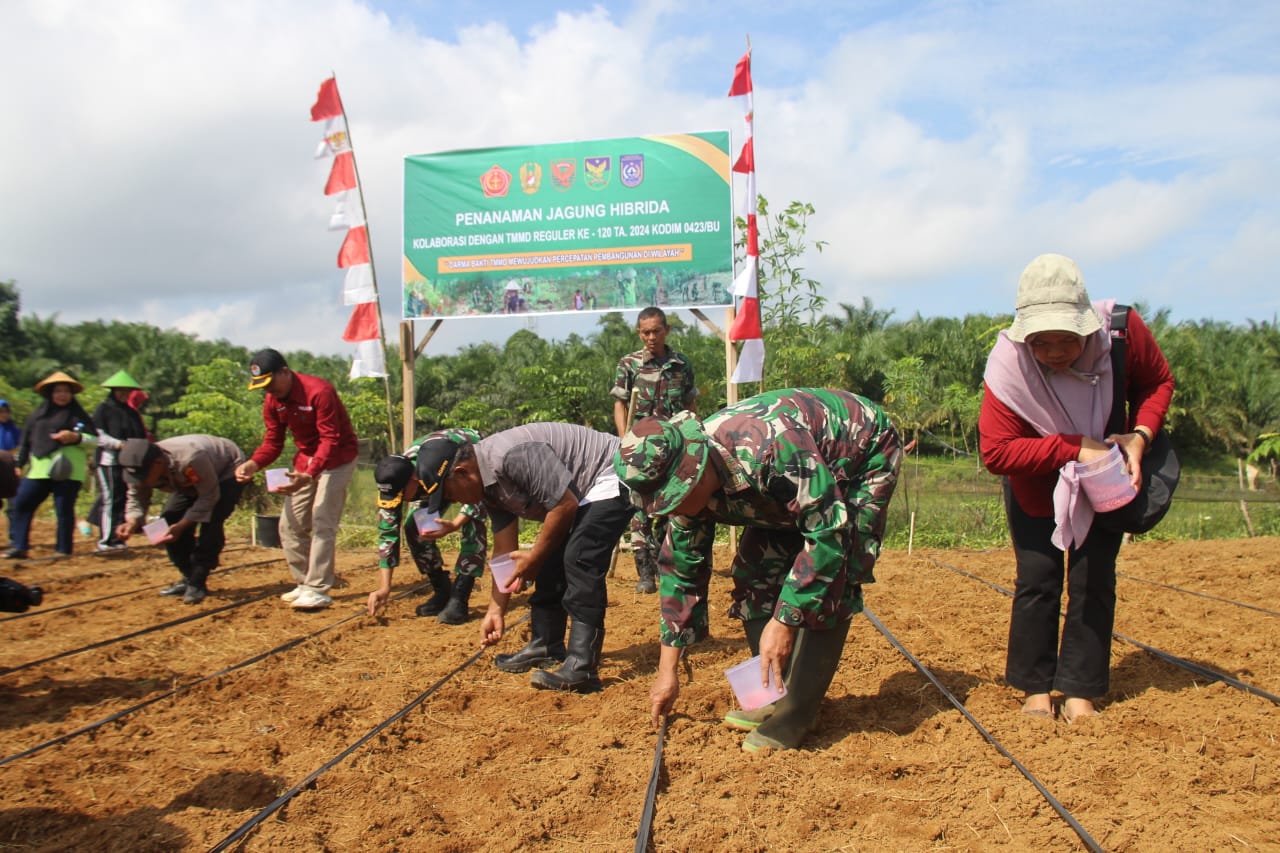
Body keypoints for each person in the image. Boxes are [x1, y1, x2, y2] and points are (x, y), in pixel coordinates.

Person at [614, 389, 903, 753]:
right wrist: (667, 670)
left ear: (697, 464)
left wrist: (784, 622)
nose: (675, 507)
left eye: (677, 494)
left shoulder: (771, 448)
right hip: (781, 483)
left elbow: (828, 533)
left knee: (836, 574)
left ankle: (798, 712)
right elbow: (681, 572)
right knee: (755, 573)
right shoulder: (692, 497)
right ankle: (777, 695)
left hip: (860, 453)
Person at [980, 254, 1174, 724]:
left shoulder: (1121, 333)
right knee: (1038, 580)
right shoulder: (1009, 366)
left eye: (1066, 339)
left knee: (1093, 580)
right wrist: (1073, 447)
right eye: (1041, 343)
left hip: (1103, 480)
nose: (1053, 353)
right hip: (1035, 487)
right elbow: (998, 453)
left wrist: (1140, 435)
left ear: (1086, 326)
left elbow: (1157, 383)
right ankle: (1035, 689)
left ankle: (1081, 691)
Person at [421, 423, 631, 693]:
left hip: (609, 472)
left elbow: (564, 505)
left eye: (449, 493)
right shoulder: (488, 488)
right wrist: (495, 611)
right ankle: (545, 644)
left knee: (580, 557)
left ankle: (582, 668)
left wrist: (534, 558)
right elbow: (504, 551)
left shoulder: (511, 456)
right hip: (579, 494)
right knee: (549, 554)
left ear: (462, 472)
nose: (454, 500)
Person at [235, 349, 358, 611]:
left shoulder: (319, 391)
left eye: (270, 383)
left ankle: (318, 589)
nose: (268, 390)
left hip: (337, 459)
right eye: (262, 386)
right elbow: (273, 441)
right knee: (289, 524)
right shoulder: (272, 401)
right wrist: (253, 463)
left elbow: (330, 439)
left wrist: (309, 475)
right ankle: (304, 582)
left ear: (285, 372)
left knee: (322, 519)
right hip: (305, 462)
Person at [610, 306, 698, 594]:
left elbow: (690, 403)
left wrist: (695, 433)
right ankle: (644, 571)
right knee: (639, 508)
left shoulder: (681, 365)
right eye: (645, 332)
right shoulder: (629, 365)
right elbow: (620, 404)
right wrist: (624, 439)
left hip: (674, 447)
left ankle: (665, 561)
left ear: (666, 330)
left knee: (672, 504)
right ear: (639, 333)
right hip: (641, 448)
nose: (651, 337)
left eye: (656, 331)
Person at [366, 429, 489, 624]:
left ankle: (459, 597)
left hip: (471, 462)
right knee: (414, 528)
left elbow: (474, 496)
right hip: (428, 483)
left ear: (413, 480)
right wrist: (384, 587)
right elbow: (387, 533)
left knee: (473, 528)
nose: (398, 501)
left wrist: (456, 523)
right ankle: (442, 589)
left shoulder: (433, 468)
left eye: (401, 495)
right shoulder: (396, 479)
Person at [116, 436, 246, 605]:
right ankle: (189, 576)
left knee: (211, 522)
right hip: (186, 480)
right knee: (168, 523)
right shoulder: (139, 466)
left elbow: (208, 496)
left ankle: (198, 580)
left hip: (226, 470)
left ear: (157, 464)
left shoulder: (190, 458)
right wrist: (132, 521)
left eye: (143, 475)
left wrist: (183, 525)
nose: (140, 480)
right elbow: (136, 496)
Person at [6, 371, 113, 559]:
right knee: (22, 503)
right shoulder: (37, 417)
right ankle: (20, 545)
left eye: (66, 391)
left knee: (63, 509)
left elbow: (95, 439)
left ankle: (63, 549)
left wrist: (76, 437)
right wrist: (18, 464)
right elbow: (25, 443)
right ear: (50, 394)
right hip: (40, 469)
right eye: (57, 391)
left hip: (69, 470)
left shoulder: (78, 416)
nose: (62, 395)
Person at [87, 370, 149, 551]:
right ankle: (106, 540)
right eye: (119, 390)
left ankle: (118, 538)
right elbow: (97, 435)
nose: (123, 393)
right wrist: (119, 445)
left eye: (126, 390)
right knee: (111, 499)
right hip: (109, 460)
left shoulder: (131, 413)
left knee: (123, 499)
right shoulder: (103, 409)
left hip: (128, 462)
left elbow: (140, 436)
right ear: (113, 391)